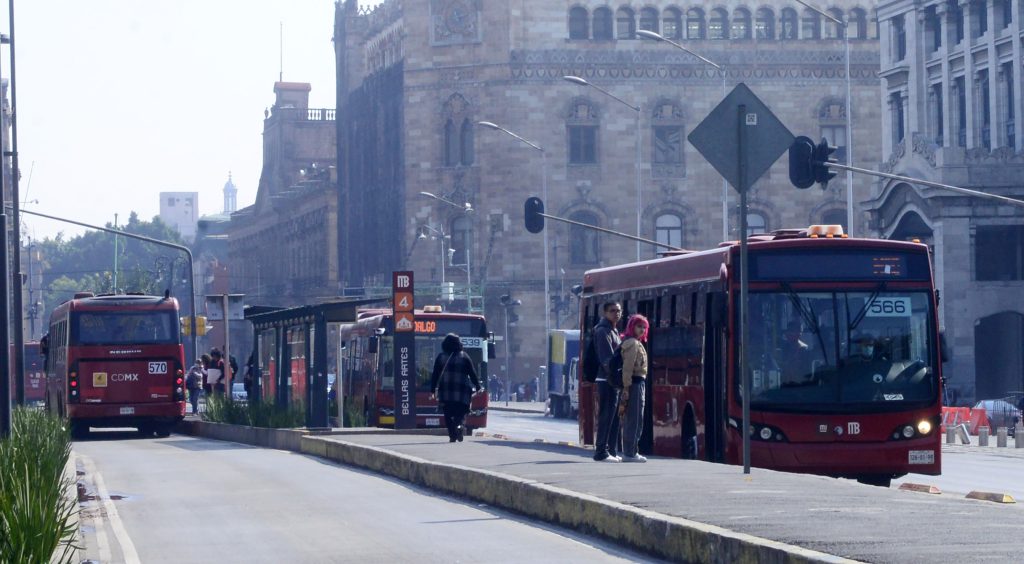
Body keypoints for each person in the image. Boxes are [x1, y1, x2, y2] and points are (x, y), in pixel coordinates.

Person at [429, 333, 482, 443]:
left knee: (448, 414)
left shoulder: (441, 357)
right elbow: (472, 373)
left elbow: (435, 375)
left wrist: (432, 390)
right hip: (462, 392)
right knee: (461, 412)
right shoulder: (464, 356)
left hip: (446, 392)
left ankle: (452, 436)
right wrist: (477, 386)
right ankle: (460, 426)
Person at [593, 302, 623, 462]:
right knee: (607, 415)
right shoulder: (603, 330)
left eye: (618, 311)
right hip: (607, 379)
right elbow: (607, 359)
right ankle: (601, 452)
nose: (616, 313)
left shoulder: (614, 330)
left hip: (613, 379)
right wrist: (616, 376)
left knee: (614, 416)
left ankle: (611, 450)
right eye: (612, 311)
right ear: (605, 313)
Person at [617, 314, 649, 463]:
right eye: (639, 326)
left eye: (644, 327)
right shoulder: (633, 344)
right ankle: (630, 452)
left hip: (637, 383)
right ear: (632, 327)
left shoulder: (636, 343)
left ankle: (631, 451)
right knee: (634, 419)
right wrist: (626, 387)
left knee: (636, 418)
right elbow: (628, 368)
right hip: (634, 384)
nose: (642, 330)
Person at [779, 321, 811, 385]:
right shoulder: (783, 348)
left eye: (792, 332)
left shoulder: (804, 350)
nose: (788, 334)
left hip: (800, 384)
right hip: (785, 384)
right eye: (788, 331)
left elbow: (807, 371)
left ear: (799, 334)